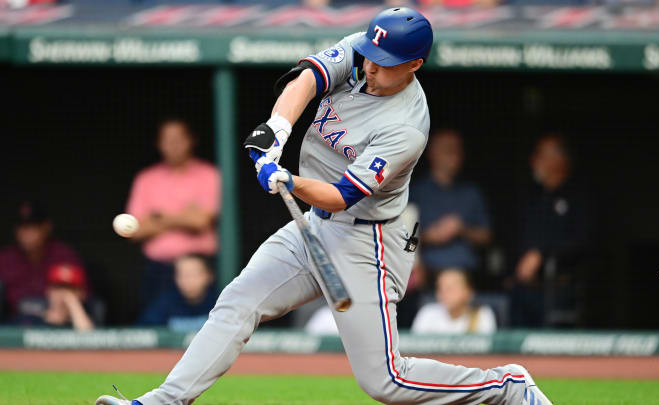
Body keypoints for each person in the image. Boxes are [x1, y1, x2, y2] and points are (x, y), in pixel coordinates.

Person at [96, 8, 551, 405]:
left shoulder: (406, 129)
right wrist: (277, 129)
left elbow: (342, 194)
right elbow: (307, 80)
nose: (371, 68)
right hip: (315, 226)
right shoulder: (365, 51)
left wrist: (288, 180)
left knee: (385, 381)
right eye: (370, 57)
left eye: (386, 64)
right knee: (238, 300)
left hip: (368, 241)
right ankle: (163, 402)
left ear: (414, 64)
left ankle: (506, 386)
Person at [126, 119, 220, 306]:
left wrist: (158, 218)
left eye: (179, 139)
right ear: (159, 144)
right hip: (159, 271)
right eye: (167, 140)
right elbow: (134, 230)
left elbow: (200, 221)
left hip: (200, 269)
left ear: (191, 140)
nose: (173, 145)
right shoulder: (146, 179)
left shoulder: (209, 174)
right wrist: (184, 216)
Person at [511, 134, 594, 328]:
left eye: (541, 155)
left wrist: (542, 253)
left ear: (559, 160)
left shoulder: (578, 197)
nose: (534, 161)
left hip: (561, 290)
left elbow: (583, 242)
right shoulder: (533, 198)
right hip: (523, 290)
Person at [410, 129, 492, 277]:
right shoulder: (415, 192)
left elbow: (486, 236)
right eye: (448, 149)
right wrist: (429, 235)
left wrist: (462, 229)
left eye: (458, 149)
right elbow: (398, 239)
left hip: (467, 276)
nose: (454, 154)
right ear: (432, 152)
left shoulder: (471, 192)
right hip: (428, 276)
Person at [0, 201, 84, 319]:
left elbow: (82, 294)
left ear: (46, 227)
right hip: (16, 324)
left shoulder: (63, 255)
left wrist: (64, 309)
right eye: (22, 227)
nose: (26, 232)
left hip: (58, 321)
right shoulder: (5, 259)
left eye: (32, 226)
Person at [136, 255, 219, 332]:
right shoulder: (165, 303)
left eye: (194, 274)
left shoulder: (219, 303)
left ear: (209, 276)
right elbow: (143, 332)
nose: (188, 280)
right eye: (182, 275)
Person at [412, 268, 497, 334]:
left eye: (450, 288)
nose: (444, 293)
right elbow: (414, 347)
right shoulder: (428, 313)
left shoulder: (482, 314)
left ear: (468, 291)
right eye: (440, 288)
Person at [15, 263, 96, 331]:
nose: (63, 293)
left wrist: (73, 304)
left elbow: (90, 339)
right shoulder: (30, 319)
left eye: (69, 288)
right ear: (48, 291)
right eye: (58, 287)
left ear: (82, 293)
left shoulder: (87, 318)